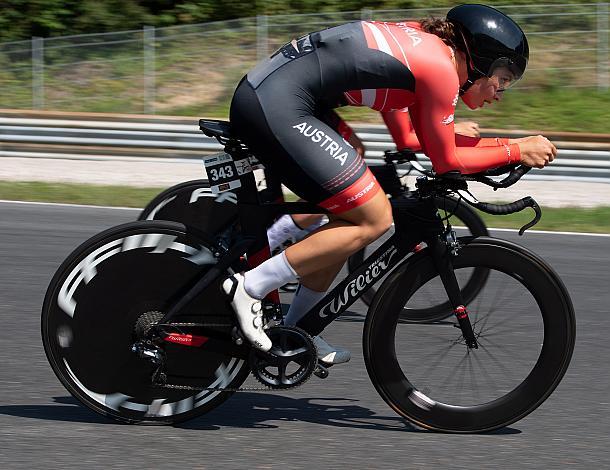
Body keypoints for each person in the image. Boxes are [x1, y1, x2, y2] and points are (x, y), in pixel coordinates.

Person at [223, 4, 557, 361]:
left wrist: (508, 147)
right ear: (479, 61)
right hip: (279, 104)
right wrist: (516, 149)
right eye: (502, 79)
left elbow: (424, 143)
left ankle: (298, 329)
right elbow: (447, 161)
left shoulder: (427, 47)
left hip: (280, 96)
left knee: (348, 216)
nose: (499, 93)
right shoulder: (441, 69)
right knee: (374, 218)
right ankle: (249, 286)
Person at [266, 111, 482, 253]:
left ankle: (307, 225)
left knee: (356, 150)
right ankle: (270, 241)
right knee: (337, 180)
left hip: (319, 101)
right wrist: (450, 130)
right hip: (304, 104)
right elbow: (404, 137)